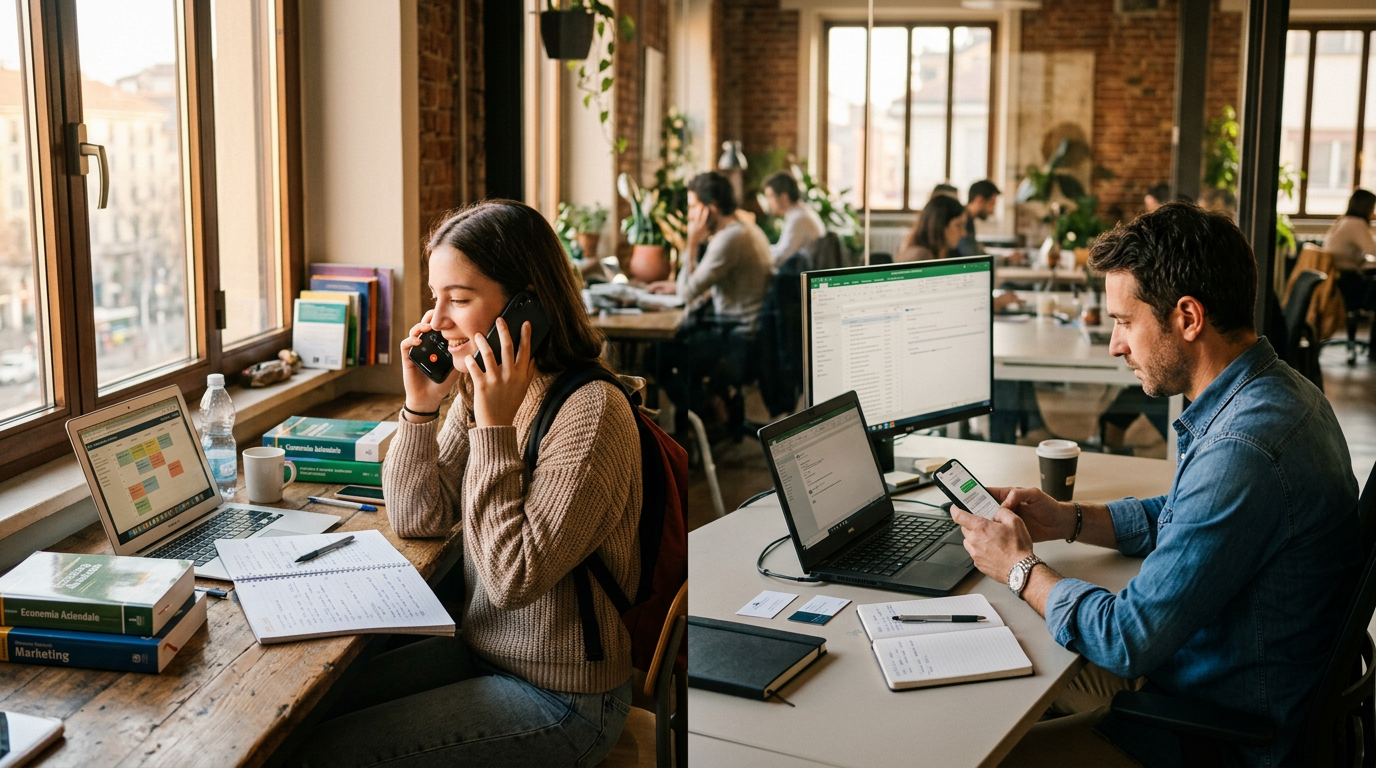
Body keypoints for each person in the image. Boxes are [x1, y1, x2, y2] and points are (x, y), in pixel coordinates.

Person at [957, 202, 1361, 766]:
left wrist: (1020, 567)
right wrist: (1068, 520)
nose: (1115, 345)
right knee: (1011, 648)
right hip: (1210, 677)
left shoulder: (1243, 450)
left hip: (1219, 733)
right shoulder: (1277, 393)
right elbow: (1180, 511)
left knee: (995, 749)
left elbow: (1127, 637)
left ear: (1188, 318)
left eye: (1124, 321)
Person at [297, 200, 643, 767]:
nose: (436, 320)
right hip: (483, 653)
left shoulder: (591, 412)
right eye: (435, 297)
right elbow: (417, 517)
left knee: (327, 755)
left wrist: (495, 426)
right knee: (307, 725)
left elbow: (511, 578)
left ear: (527, 304)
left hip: (564, 697)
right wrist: (419, 407)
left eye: (458, 299)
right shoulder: (483, 386)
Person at [648, 171, 772, 330]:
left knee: (660, 348)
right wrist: (676, 287)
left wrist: (692, 243)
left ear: (711, 208)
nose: (690, 215)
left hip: (735, 332)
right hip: (745, 326)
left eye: (693, 207)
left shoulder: (729, 239)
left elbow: (685, 295)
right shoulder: (745, 228)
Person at [763, 171, 825, 266]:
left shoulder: (799, 219)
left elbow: (783, 257)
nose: (768, 202)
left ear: (784, 197)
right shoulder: (800, 213)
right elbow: (781, 249)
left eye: (770, 196)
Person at [896, 195, 966, 262]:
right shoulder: (920, 257)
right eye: (958, 225)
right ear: (939, 225)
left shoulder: (948, 252)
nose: (963, 233)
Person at [957, 179, 1000, 257]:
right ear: (979, 200)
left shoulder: (969, 219)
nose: (992, 211)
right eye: (992, 204)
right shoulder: (961, 220)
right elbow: (971, 255)